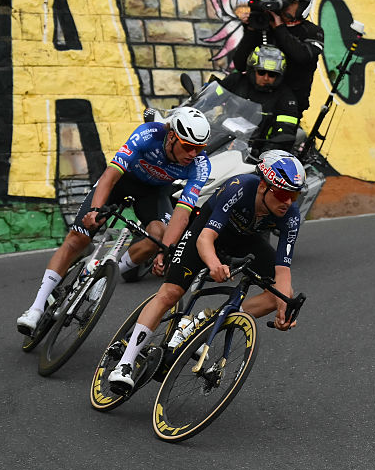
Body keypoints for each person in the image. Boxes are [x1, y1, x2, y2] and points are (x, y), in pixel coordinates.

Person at [107, 150, 305, 391]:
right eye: (283, 194)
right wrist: (213, 264)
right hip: (206, 233)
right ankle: (125, 363)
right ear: (263, 186)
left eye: (294, 195)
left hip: (245, 240)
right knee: (170, 293)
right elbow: (205, 240)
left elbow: (283, 270)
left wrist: (284, 310)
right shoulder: (239, 187)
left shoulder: (290, 215)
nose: (288, 202)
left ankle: (210, 320)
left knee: (283, 294)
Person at [16, 108, 211, 336]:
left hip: (153, 194)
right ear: (171, 137)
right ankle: (36, 308)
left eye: (199, 148)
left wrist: (165, 251)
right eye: (188, 146)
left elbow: (182, 212)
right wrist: (96, 211)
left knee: (158, 237)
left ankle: (107, 276)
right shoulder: (149, 134)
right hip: (122, 181)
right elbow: (110, 174)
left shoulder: (199, 165)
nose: (192, 153)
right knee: (78, 238)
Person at [233, 0, 324, 116]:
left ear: (303, 5)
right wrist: (251, 30)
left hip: (289, 106)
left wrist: (280, 28)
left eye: (291, 2)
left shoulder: (313, 32)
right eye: (282, 1)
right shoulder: (265, 25)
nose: (285, 7)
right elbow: (240, 63)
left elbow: (302, 56)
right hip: (254, 103)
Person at [220, 44, 301, 153]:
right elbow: (209, 100)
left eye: (272, 74)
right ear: (252, 70)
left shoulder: (286, 98)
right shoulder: (235, 81)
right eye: (261, 72)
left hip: (254, 152)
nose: (266, 78)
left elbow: (284, 132)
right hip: (220, 139)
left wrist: (265, 152)